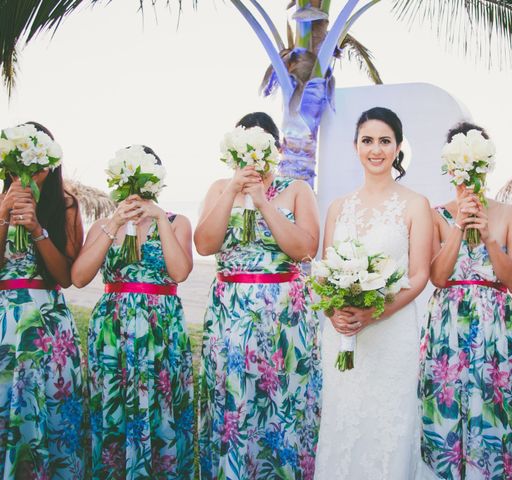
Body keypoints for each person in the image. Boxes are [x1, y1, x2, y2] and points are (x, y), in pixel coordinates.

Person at [195, 112, 322, 480]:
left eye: (263, 149)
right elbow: (204, 244)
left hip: (285, 315)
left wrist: (263, 201)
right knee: (233, 399)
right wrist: (235, 190)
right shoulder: (221, 188)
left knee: (283, 400)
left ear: (277, 150)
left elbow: (305, 249)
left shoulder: (297, 190)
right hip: (230, 311)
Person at [314, 107, 432, 479]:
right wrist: (334, 313)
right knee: (343, 419)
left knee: (387, 425)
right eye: (367, 141)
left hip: (391, 335)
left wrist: (374, 313)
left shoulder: (415, 205)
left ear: (398, 147)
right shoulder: (338, 207)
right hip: (343, 333)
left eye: (385, 141)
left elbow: (419, 275)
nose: (375, 149)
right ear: (356, 146)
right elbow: (323, 271)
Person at [419, 122, 512, 479]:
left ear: (487, 166)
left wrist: (487, 236)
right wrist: (457, 227)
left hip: (496, 326)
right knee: (447, 404)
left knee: (495, 408)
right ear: (449, 167)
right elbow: (437, 277)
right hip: (448, 327)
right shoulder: (436, 214)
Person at [71, 145, 195, 479]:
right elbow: (80, 278)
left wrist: (158, 219)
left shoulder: (176, 222)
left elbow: (180, 272)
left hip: (161, 329)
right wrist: (114, 222)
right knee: (113, 410)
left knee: (162, 410)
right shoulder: (103, 226)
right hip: (113, 331)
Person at [0, 122, 87, 478]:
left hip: (49, 322)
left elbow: (65, 277)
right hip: (5, 321)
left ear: (49, 166)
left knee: (51, 411)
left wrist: (37, 230)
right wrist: (4, 216)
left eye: (37, 166)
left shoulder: (65, 205)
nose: (30, 174)